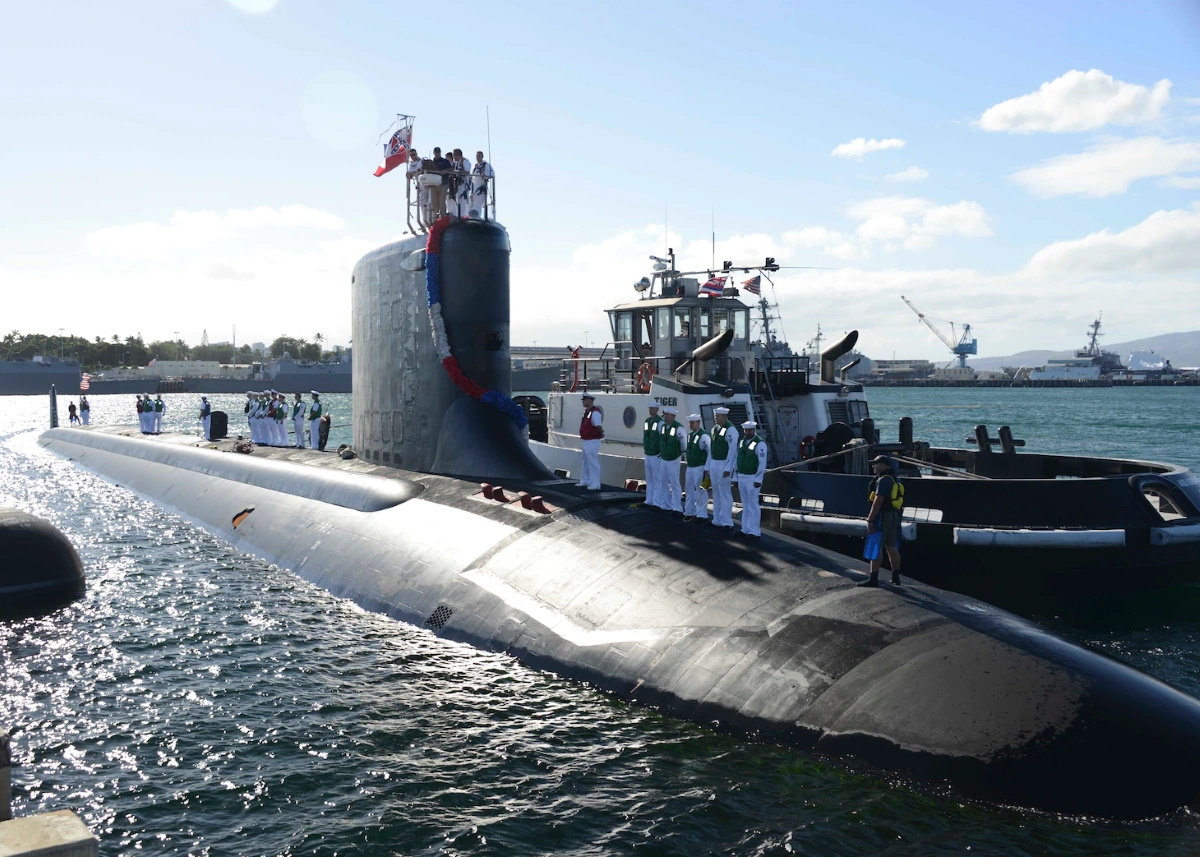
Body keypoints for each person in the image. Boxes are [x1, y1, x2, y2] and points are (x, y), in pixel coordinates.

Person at [858, 455, 905, 587]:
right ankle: (896, 578)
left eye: (876, 464)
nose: (873, 466)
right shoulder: (896, 479)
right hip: (894, 516)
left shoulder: (883, 480)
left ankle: (873, 579)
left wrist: (870, 519)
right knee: (891, 547)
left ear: (884, 465)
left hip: (883, 517)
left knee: (876, 545)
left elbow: (878, 501)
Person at [735, 420, 768, 538]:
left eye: (750, 430)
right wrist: (735, 477)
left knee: (753, 504)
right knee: (745, 504)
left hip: (752, 477)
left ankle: (754, 531)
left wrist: (758, 479)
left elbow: (762, 463)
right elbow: (737, 458)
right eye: (746, 430)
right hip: (742, 476)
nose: (747, 432)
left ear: (754, 430)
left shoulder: (760, 444)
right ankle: (745, 528)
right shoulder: (742, 442)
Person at [709, 406, 738, 529]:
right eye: (715, 416)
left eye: (718, 416)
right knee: (716, 493)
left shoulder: (731, 430)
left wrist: (728, 468)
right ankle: (717, 519)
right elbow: (711, 449)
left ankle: (727, 521)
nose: (716, 418)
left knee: (725, 493)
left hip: (723, 464)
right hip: (714, 463)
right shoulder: (715, 429)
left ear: (725, 417)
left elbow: (732, 452)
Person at [683, 414, 711, 521]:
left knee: (701, 491)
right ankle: (689, 511)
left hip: (700, 467)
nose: (690, 424)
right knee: (689, 490)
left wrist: (707, 468)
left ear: (698, 423)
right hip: (690, 467)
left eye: (693, 422)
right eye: (690, 422)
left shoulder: (704, 436)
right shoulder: (690, 436)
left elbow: (710, 452)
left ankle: (702, 514)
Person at [657, 405, 684, 514]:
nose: (665, 417)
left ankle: (677, 507)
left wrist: (678, 453)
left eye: (667, 415)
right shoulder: (663, 427)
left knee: (674, 483)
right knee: (663, 482)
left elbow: (683, 445)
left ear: (673, 416)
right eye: (665, 415)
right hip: (664, 458)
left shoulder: (679, 428)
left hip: (673, 459)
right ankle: (666, 504)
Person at [577, 393, 603, 490]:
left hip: (592, 440)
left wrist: (601, 433)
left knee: (592, 461)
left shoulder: (595, 412)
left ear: (590, 400)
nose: (583, 401)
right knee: (585, 461)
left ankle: (595, 483)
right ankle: (585, 480)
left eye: (585, 399)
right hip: (586, 439)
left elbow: (598, 425)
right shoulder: (586, 412)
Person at [641, 403, 663, 509]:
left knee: (657, 478)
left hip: (656, 454)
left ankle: (657, 501)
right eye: (649, 408)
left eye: (652, 408)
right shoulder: (647, 421)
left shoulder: (660, 422)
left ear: (657, 409)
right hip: (648, 453)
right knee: (649, 478)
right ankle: (649, 499)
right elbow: (646, 435)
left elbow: (662, 438)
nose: (650, 410)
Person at [470, 151, 494, 218]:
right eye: (477, 156)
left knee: (478, 204)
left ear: (482, 156)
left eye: (479, 156)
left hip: (481, 188)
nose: (478, 157)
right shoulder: (475, 166)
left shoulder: (486, 165)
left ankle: (477, 217)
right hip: (474, 188)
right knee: (471, 204)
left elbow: (492, 174)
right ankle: (472, 217)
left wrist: (485, 175)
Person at [429, 147, 451, 217]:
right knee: (434, 202)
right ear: (434, 153)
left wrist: (445, 171)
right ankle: (436, 218)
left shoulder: (445, 161)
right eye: (436, 152)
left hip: (443, 183)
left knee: (442, 201)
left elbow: (451, 169)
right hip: (434, 184)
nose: (437, 154)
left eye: (438, 152)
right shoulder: (431, 163)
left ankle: (443, 217)